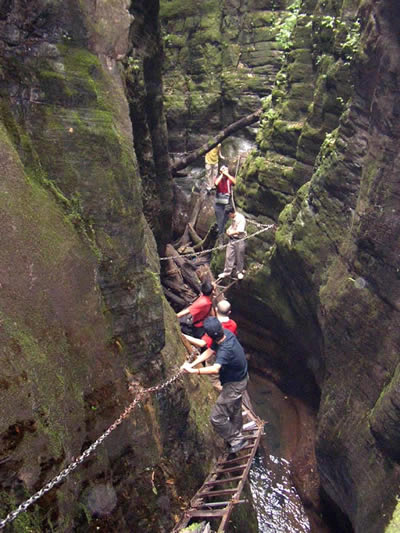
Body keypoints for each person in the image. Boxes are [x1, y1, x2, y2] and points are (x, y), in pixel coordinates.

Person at [181, 316, 249, 454]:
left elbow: (215, 368)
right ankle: (237, 432)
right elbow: (210, 351)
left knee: (216, 418)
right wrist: (191, 364)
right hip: (240, 379)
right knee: (234, 409)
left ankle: (237, 440)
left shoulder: (225, 350)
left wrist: (194, 371)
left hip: (234, 385)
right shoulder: (226, 334)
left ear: (209, 334)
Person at [217, 206, 247, 280]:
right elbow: (233, 226)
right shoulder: (233, 218)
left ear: (231, 213)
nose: (228, 217)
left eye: (228, 215)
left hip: (239, 240)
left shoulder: (240, 218)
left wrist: (231, 233)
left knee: (239, 256)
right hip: (232, 239)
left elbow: (240, 231)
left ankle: (239, 272)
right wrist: (228, 230)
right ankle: (227, 272)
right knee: (229, 256)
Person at [214, 166, 236, 236]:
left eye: (226, 170)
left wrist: (227, 174)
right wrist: (222, 175)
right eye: (223, 170)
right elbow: (216, 183)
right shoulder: (218, 178)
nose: (225, 172)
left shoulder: (229, 179)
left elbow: (234, 182)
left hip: (227, 202)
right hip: (219, 203)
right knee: (219, 219)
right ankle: (219, 235)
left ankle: (223, 233)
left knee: (225, 219)